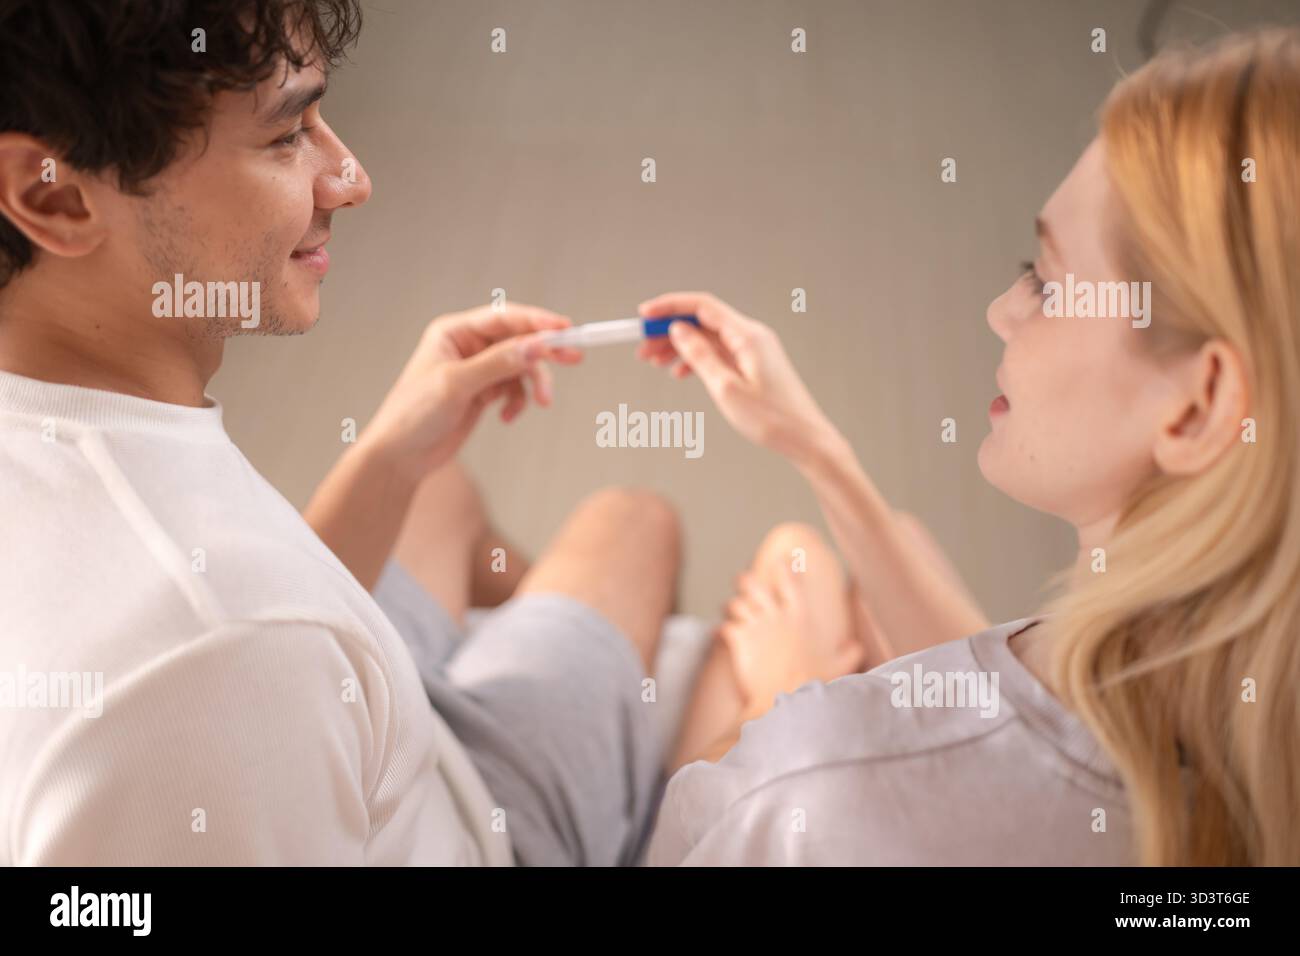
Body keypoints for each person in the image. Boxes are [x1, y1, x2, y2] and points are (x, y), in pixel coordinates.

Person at [0, 0, 677, 866]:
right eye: (286, 135)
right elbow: (238, 652)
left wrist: (394, 452)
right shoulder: (219, 665)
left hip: (362, 740)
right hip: (487, 822)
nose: (352, 178)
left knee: (439, 485)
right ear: (51, 192)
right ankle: (630, 765)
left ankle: (460, 676)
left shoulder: (89, 441)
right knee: (633, 521)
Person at [639, 29, 1300, 866]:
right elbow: (1036, 738)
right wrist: (818, 451)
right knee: (894, 539)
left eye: (1044, 280)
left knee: (763, 553)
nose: (1001, 310)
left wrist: (789, 695)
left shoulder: (813, 788)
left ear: (1199, 405)